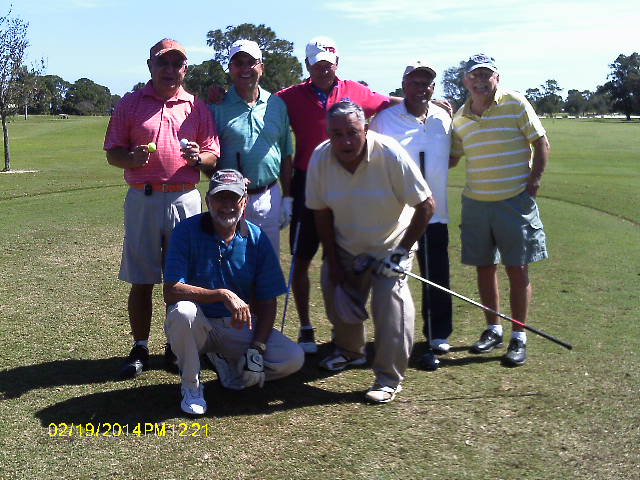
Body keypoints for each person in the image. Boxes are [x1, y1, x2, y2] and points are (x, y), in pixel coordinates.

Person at [277, 36, 401, 354]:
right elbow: (261, 102)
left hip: (346, 185)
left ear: (337, 64)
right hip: (307, 183)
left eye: (328, 65)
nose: (323, 70)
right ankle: (306, 327)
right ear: (307, 66)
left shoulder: (355, 90)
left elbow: (388, 102)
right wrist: (220, 97)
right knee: (301, 260)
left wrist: (428, 103)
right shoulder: (290, 96)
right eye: (317, 65)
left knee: (341, 256)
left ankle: (343, 330)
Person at [104, 38, 219, 379]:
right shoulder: (131, 103)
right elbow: (113, 152)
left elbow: (212, 155)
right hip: (144, 197)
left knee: (180, 279)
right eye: (162, 63)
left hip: (185, 197)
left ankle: (175, 345)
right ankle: (140, 346)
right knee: (141, 279)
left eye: (176, 64)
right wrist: (131, 158)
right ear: (150, 66)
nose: (169, 70)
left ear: (185, 69)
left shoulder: (197, 107)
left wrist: (199, 158)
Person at [306, 101, 435, 403]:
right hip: (347, 245)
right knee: (336, 292)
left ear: (365, 128)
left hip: (391, 245)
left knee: (390, 306)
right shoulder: (320, 157)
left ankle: (389, 379)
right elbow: (321, 213)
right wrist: (333, 260)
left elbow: (426, 205)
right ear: (328, 134)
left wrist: (401, 253)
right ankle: (351, 352)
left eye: (352, 132)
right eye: (337, 134)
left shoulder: (389, 153)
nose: (345, 142)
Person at [163, 169, 304, 415]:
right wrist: (222, 294)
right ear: (208, 200)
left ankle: (229, 365)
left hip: (236, 326)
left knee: (293, 358)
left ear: (245, 202)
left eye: (234, 198)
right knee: (183, 312)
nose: (227, 205)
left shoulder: (257, 237)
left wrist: (257, 348)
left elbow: (268, 300)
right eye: (220, 197)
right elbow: (171, 291)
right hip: (198, 325)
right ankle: (191, 386)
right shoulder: (186, 231)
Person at [450, 54, 550, 367]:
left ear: (497, 78)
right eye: (475, 75)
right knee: (484, 267)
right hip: (476, 203)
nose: (480, 81)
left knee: (517, 268)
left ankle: (518, 336)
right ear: (466, 80)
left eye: (486, 75)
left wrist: (534, 180)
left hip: (513, 201)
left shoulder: (515, 103)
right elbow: (452, 158)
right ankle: (493, 329)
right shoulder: (460, 117)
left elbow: (541, 142)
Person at [369, 60, 454, 366]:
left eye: (427, 83)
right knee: (394, 278)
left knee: (437, 275)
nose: (421, 88)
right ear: (404, 85)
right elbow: (372, 160)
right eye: (415, 83)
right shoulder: (385, 120)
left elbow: (452, 157)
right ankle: (392, 335)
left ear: (434, 87)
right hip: (399, 215)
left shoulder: (443, 117)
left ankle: (438, 334)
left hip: (436, 213)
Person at [210, 40, 294, 255]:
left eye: (251, 62)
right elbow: (209, 157)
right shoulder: (217, 106)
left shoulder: (276, 104)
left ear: (261, 67)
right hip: (230, 200)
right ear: (230, 69)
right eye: (238, 63)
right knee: (233, 262)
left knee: (268, 263)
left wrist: (288, 198)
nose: (245, 68)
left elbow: (286, 154)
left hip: (269, 196)